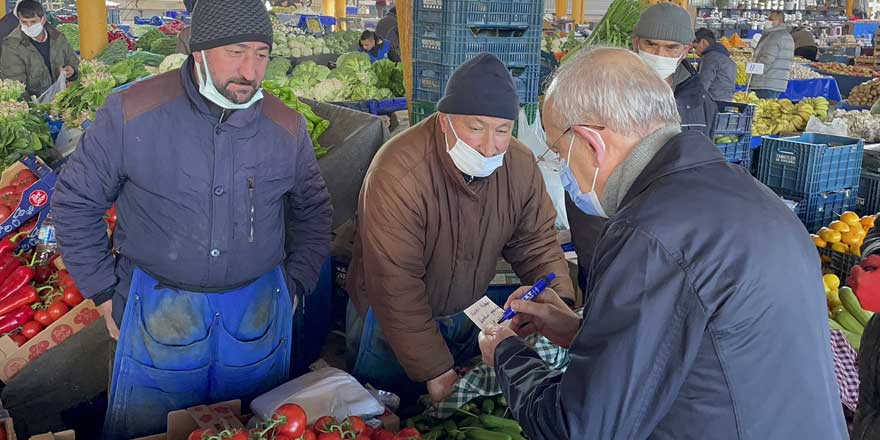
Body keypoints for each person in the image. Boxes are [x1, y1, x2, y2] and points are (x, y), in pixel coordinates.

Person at [477, 46, 848, 440]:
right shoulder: (754, 197)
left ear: (590, 143)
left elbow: (578, 428)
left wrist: (506, 354)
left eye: (556, 153)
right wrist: (577, 331)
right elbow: (706, 341)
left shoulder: (650, 234)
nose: (561, 170)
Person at [51, 0, 333, 438]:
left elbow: (314, 211)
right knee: (149, 429)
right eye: (236, 52)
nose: (250, 71)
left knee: (249, 424)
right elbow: (75, 201)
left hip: (256, 312)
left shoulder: (286, 127)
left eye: (262, 54)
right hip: (157, 310)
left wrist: (294, 283)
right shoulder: (131, 112)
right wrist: (103, 291)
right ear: (199, 51)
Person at [345, 53, 576, 405]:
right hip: (389, 319)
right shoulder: (398, 172)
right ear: (444, 121)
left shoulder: (519, 165)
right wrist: (436, 371)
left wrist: (559, 306)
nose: (489, 145)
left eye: (502, 130)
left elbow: (537, 243)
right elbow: (396, 284)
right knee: (387, 411)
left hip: (466, 311)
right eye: (475, 127)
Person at [566, 1, 718, 297]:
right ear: (636, 42)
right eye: (651, 44)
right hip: (613, 242)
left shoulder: (699, 102)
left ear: (687, 50)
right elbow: (583, 187)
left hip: (676, 249)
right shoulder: (601, 96)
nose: (660, 55)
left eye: (671, 47)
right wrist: (599, 261)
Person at [0, 0, 78, 99]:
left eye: (33, 22)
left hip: (63, 99)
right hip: (35, 105)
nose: (28, 26)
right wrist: (34, 108)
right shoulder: (11, 46)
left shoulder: (58, 38)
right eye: (24, 22)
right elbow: (15, 85)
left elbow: (75, 63)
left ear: (43, 19)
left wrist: (72, 71)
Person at [751, 11, 794, 99]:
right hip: (777, 82)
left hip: (766, 82)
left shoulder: (775, 36)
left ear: (779, 21)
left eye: (771, 19)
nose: (768, 21)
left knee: (762, 109)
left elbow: (767, 59)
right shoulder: (786, 35)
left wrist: (753, 76)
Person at [694, 28, 737, 101]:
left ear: (703, 42)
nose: (695, 52)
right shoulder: (726, 58)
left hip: (713, 103)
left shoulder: (709, 58)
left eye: (695, 47)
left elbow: (702, 86)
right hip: (727, 102)